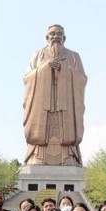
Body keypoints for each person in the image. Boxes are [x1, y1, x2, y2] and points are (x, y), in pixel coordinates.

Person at [23, 24, 87, 166]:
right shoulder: (38, 55)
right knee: (42, 134)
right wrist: (45, 68)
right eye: (52, 34)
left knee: (66, 136)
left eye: (59, 34)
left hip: (66, 106)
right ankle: (37, 156)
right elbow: (27, 78)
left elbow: (82, 79)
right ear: (47, 38)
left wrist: (65, 70)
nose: (56, 36)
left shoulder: (74, 56)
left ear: (64, 38)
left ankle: (69, 157)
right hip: (43, 106)